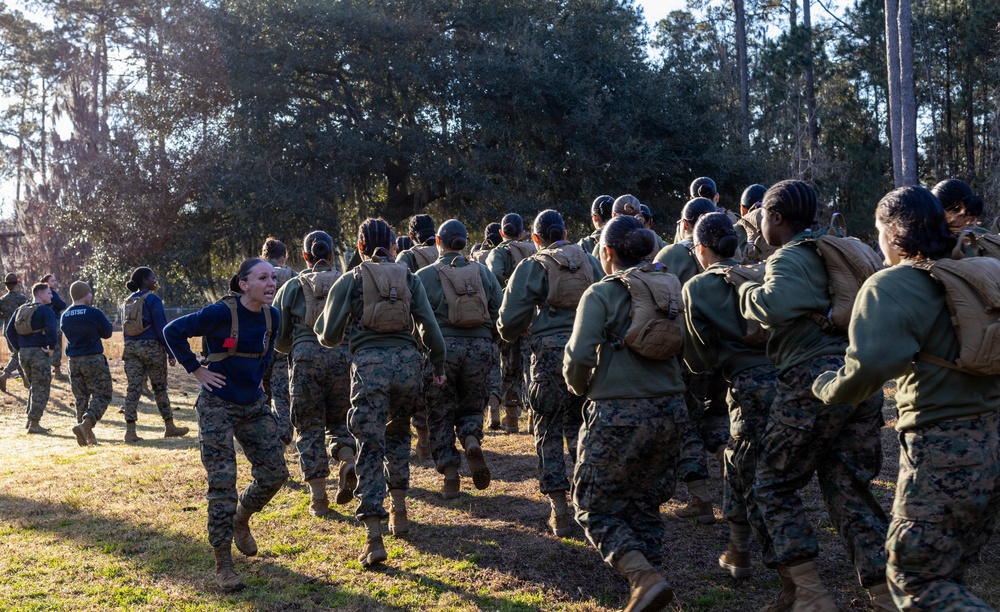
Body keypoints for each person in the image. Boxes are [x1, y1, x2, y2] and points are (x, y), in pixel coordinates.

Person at [811, 185, 999, 610]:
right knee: (949, 570)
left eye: (878, 231)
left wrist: (825, 385)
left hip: (942, 451)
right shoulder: (979, 271)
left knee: (915, 579)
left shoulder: (891, 286)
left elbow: (868, 369)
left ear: (893, 232)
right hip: (992, 441)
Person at [738, 180, 889, 610]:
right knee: (848, 487)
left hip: (811, 384)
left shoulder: (789, 257)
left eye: (763, 216)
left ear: (777, 218)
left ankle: (809, 594)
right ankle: (884, 594)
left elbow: (773, 305)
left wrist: (745, 290)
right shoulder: (835, 250)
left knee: (772, 483)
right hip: (859, 379)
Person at [563, 215, 686, 612]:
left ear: (608, 252)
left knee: (591, 504)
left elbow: (579, 356)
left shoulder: (600, 294)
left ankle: (642, 576)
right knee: (645, 501)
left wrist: (582, 389)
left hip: (617, 410)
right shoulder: (672, 288)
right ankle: (652, 585)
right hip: (671, 407)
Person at [315, 218, 446, 568]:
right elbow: (429, 327)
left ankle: (374, 538)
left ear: (360, 247)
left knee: (369, 447)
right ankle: (400, 512)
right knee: (399, 434)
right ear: (393, 245)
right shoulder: (409, 277)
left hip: (370, 369)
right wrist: (439, 364)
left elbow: (328, 335)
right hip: (408, 365)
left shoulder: (351, 278)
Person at [164, 258, 288, 592]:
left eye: (273, 277)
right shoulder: (220, 313)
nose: (271, 283)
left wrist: (259, 381)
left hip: (253, 404)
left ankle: (241, 519)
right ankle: (224, 565)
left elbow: (267, 355)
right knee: (222, 485)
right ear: (243, 284)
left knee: (276, 474)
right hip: (217, 406)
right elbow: (171, 331)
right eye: (263, 277)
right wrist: (196, 369)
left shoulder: (271, 315)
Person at [682, 212, 777, 581]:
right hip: (789, 378)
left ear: (701, 249)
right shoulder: (763, 273)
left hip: (746, 387)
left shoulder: (698, 287)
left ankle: (792, 570)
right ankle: (738, 550)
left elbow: (698, 359)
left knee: (757, 476)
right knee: (739, 464)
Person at [498, 210, 603, 536]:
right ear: (566, 231)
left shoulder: (532, 265)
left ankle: (559, 510)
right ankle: (590, 500)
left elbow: (507, 323)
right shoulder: (589, 260)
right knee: (581, 426)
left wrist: (525, 324)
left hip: (546, 358)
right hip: (587, 353)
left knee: (547, 429)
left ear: (535, 239)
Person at [415, 219, 503, 498]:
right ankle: (471, 440)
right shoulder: (484, 272)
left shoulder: (424, 275)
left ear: (438, 242)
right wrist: (490, 345)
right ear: (465, 242)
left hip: (442, 348)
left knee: (440, 412)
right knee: (472, 407)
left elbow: (413, 317)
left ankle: (451, 476)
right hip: (480, 346)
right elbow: (499, 310)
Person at [655, 196, 728, 524]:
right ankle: (731, 466)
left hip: (686, 353)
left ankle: (700, 499)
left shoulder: (670, 255)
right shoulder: (731, 251)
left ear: (684, 224)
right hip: (727, 350)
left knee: (687, 423)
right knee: (718, 414)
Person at [273, 230, 356, 517]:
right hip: (343, 358)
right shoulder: (349, 281)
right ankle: (347, 459)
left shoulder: (292, 287)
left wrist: (292, 347)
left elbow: (279, 335)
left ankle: (319, 498)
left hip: (306, 359)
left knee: (309, 427)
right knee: (340, 422)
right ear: (332, 255)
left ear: (305, 256)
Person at [120, 267, 189, 442]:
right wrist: (170, 351)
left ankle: (130, 431)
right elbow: (161, 328)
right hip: (152, 349)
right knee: (159, 388)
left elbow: (125, 329)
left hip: (130, 348)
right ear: (144, 280)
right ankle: (170, 426)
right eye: (153, 278)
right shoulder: (153, 299)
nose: (155, 281)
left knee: (133, 389)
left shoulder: (127, 301)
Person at [486, 212, 537, 433]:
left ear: (501, 232)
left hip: (509, 315)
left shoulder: (498, 252)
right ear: (523, 232)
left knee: (508, 365)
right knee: (532, 367)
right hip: (534, 317)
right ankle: (534, 417)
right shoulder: (533, 250)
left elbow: (493, 276)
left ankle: (511, 417)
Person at [61, 281, 113, 446]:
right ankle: (86, 425)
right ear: (84, 294)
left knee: (81, 398)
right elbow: (108, 333)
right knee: (103, 394)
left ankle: (87, 436)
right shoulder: (93, 312)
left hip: (73, 361)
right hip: (92, 358)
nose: (91, 296)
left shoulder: (65, 315)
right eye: (90, 293)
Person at [5, 282, 58, 433]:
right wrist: (51, 348)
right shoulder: (45, 311)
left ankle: (30, 421)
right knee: (41, 387)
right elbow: (52, 330)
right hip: (39, 354)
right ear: (40, 294)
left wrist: (19, 347)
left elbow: (9, 331)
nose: (51, 295)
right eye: (48, 293)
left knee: (34, 386)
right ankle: (35, 424)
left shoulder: (21, 309)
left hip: (23, 354)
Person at [261, 237, 297, 448]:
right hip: (285, 342)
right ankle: (283, 438)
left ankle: (263, 434)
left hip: (260, 343)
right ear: (284, 257)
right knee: (283, 395)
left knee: (262, 394)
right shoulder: (293, 276)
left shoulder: (255, 274)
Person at [0, 273, 29, 392]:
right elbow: (28, 313)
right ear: (16, 284)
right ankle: (5, 375)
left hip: (7, 330)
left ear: (6, 286)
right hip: (19, 330)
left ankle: (25, 381)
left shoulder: (2, 300)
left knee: (17, 354)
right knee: (18, 355)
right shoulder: (22, 298)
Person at [40, 274, 67, 379]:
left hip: (43, 322)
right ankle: (57, 372)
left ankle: (49, 371)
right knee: (56, 344)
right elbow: (62, 305)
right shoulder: (52, 293)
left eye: (55, 280)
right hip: (54, 321)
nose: (55, 283)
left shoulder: (41, 293)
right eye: (52, 281)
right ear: (46, 282)